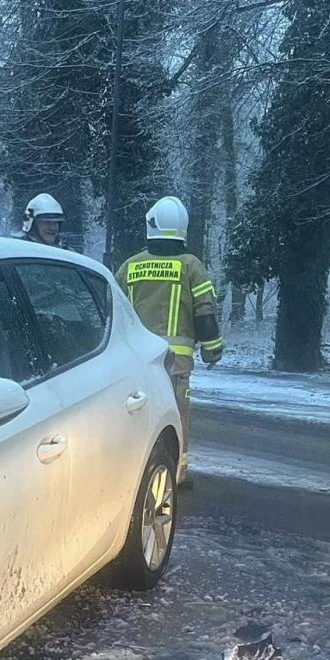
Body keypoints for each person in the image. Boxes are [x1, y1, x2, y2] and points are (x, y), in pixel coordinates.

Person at [114, 196, 222, 481]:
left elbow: (112, 310)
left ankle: (131, 471)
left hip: (134, 360)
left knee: (136, 415)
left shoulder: (130, 266)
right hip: (175, 362)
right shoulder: (191, 266)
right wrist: (212, 349)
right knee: (175, 414)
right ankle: (175, 473)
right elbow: (205, 311)